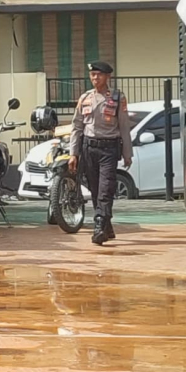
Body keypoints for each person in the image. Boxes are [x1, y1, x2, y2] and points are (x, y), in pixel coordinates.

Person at [70, 60, 134, 246]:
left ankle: (98, 226)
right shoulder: (85, 98)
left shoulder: (117, 97)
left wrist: (127, 153)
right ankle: (107, 225)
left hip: (109, 148)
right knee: (95, 188)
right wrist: (73, 153)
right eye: (92, 75)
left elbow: (124, 126)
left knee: (106, 189)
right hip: (89, 148)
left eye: (99, 74)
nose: (95, 78)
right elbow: (77, 126)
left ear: (108, 76)